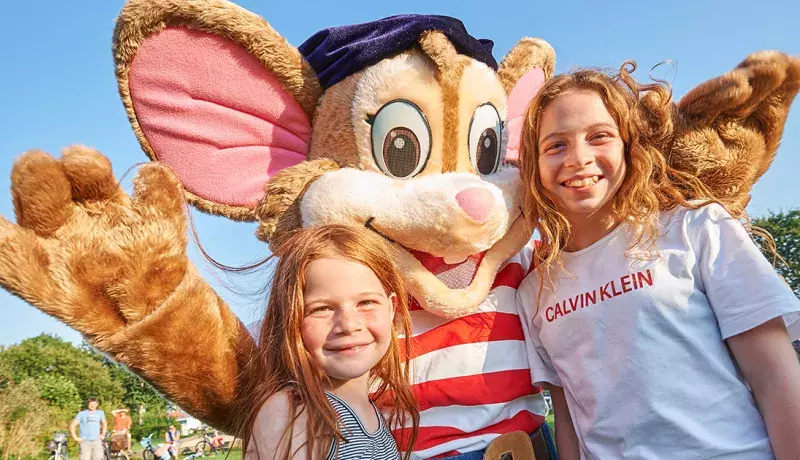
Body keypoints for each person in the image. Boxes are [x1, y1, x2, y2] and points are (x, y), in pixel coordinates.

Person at [515, 62, 800, 458]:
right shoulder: (534, 289)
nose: (578, 157)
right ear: (534, 166)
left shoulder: (697, 226)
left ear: (630, 145)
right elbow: (568, 421)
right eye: (555, 145)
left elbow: (776, 377)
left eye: (600, 136)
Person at [237, 225, 419, 460]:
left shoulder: (372, 413)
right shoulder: (294, 414)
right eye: (322, 308)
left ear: (391, 309)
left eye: (366, 303)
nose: (348, 325)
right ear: (291, 319)